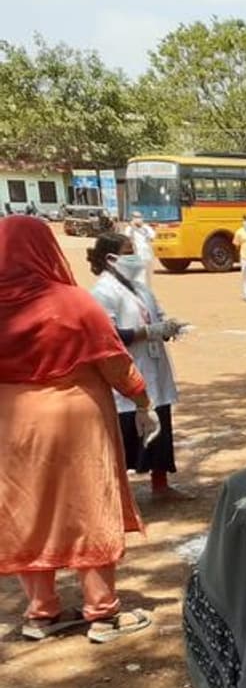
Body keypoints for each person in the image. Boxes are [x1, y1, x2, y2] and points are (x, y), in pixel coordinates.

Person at [0, 216, 155, 643]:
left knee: (27, 512)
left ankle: (41, 613)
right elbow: (117, 364)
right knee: (89, 506)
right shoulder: (74, 303)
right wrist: (143, 402)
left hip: (12, 429)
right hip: (77, 421)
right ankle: (102, 615)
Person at [89, 233, 186, 499]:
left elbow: (157, 315)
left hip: (154, 366)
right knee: (126, 433)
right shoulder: (103, 292)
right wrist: (147, 331)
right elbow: (108, 334)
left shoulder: (139, 287)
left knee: (160, 426)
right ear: (110, 259)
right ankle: (118, 497)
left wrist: (167, 328)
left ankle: (160, 485)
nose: (134, 257)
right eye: (127, 251)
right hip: (129, 371)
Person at [125, 212, 157, 288]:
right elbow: (127, 238)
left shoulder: (146, 228)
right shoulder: (129, 228)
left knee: (147, 277)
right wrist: (133, 227)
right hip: (136, 255)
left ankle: (147, 293)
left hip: (147, 255)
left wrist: (142, 229)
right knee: (138, 276)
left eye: (139, 217)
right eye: (136, 217)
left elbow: (152, 237)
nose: (138, 219)